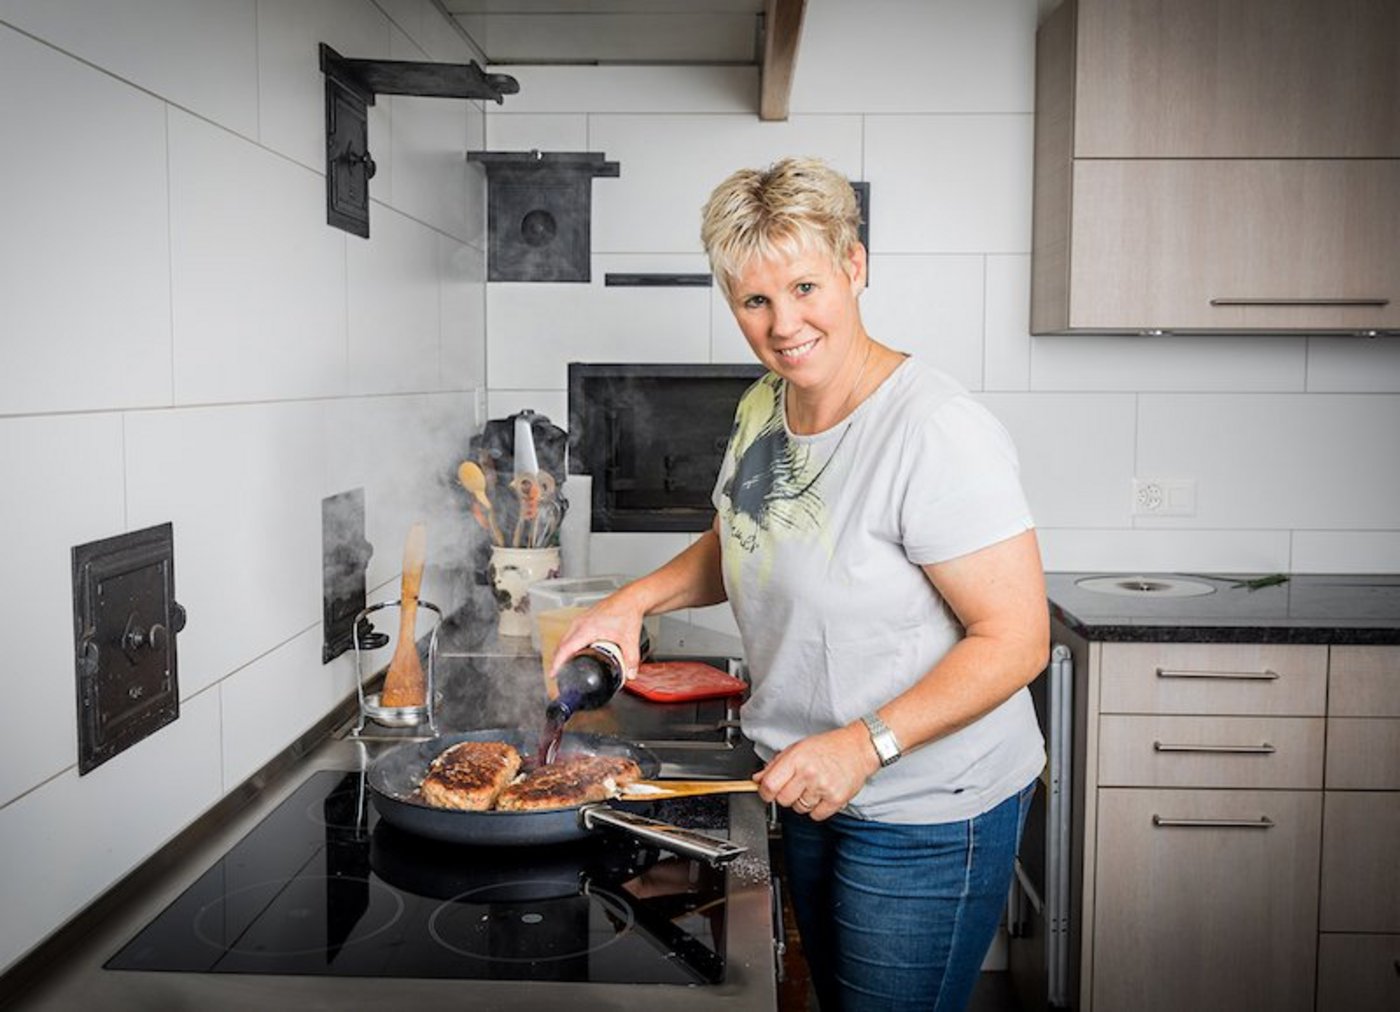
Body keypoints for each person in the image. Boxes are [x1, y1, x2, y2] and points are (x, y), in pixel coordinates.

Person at [548, 156, 1048, 1011]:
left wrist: (862, 746)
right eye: (755, 300)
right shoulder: (764, 406)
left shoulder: (935, 430)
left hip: (927, 808)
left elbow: (1017, 640)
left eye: (806, 287)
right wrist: (630, 602)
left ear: (855, 266)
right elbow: (740, 542)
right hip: (810, 782)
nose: (784, 325)